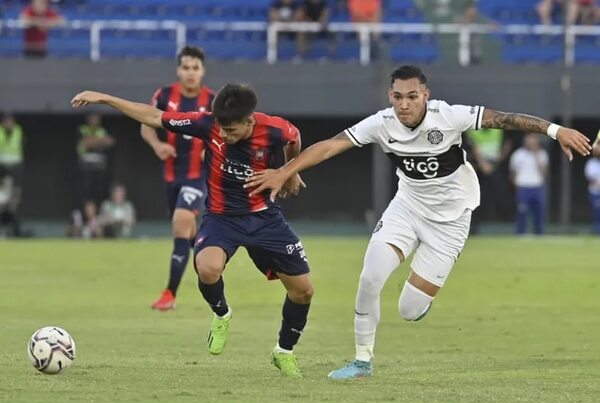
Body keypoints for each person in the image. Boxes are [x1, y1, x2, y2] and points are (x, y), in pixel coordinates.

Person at [245, 65, 591, 380]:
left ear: (425, 95)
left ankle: (420, 298)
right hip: (406, 209)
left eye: (412, 96)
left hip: (451, 222)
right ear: (390, 97)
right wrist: (285, 171)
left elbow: (504, 119)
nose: (404, 104)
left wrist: (555, 130)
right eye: (397, 97)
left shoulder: (450, 117)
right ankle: (362, 360)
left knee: (409, 310)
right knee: (370, 278)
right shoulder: (382, 123)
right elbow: (332, 146)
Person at [71, 84, 313, 378]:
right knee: (207, 268)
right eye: (221, 128)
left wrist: (289, 171)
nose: (223, 135)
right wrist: (107, 99)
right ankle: (222, 314)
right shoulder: (207, 124)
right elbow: (154, 116)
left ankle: (283, 351)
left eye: (231, 130)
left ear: (250, 121)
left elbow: (295, 138)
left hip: (266, 218)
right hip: (222, 218)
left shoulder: (276, 129)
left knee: (303, 291)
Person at [142, 46, 215, 311]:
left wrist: (214, 148)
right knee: (189, 234)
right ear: (178, 70)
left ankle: (169, 294)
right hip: (172, 175)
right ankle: (211, 275)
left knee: (181, 222)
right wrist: (157, 146)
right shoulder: (164, 96)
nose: (191, 73)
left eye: (195, 68)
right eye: (186, 67)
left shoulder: (213, 101)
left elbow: (225, 135)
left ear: (203, 71)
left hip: (199, 177)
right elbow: (146, 125)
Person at [509, 134, 549, 235]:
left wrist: (536, 155)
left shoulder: (542, 154)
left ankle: (539, 234)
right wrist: (516, 184)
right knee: (522, 212)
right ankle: (521, 233)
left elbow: (544, 172)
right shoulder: (518, 154)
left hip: (537, 187)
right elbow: (512, 172)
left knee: (539, 213)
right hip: (523, 187)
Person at [77, 113, 114, 207]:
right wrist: (101, 141)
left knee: (99, 192)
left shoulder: (101, 130)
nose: (94, 120)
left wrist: (92, 141)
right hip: (84, 167)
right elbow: (85, 143)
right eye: (92, 118)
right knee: (85, 192)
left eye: (96, 118)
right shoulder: (83, 129)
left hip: (100, 167)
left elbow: (110, 141)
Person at [0, 113, 24, 224]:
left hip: (16, 168)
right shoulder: (0, 132)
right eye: (6, 121)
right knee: (3, 195)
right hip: (2, 167)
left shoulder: (18, 131)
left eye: (11, 121)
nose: (9, 123)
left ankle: (12, 219)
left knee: (15, 195)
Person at [585, 131, 600, 234]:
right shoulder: (591, 163)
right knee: (597, 213)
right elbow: (590, 177)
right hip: (595, 192)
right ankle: (596, 232)